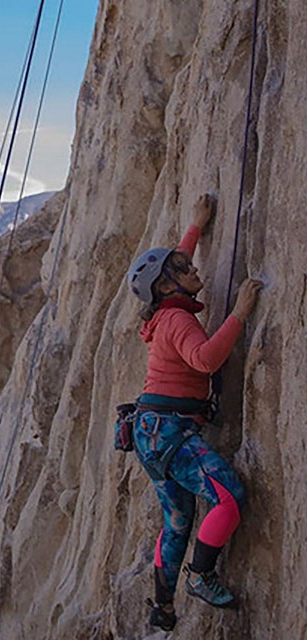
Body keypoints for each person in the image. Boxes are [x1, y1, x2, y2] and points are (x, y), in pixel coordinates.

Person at [126, 194, 263, 632]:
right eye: (184, 270)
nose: (194, 268)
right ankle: (201, 576)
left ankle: (163, 606)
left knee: (178, 521)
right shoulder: (178, 320)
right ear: (168, 287)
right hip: (169, 432)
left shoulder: (164, 311)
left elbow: (174, 265)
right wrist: (240, 313)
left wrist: (196, 225)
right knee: (228, 496)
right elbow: (204, 360)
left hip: (150, 432)